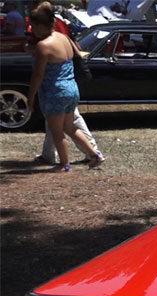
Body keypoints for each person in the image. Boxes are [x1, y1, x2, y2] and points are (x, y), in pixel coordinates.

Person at [26, 2, 103, 172]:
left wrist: (31, 97)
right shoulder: (64, 37)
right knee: (70, 127)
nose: (32, 30)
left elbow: (38, 75)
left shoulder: (43, 46)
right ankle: (94, 154)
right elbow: (78, 54)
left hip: (54, 91)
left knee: (57, 131)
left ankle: (64, 164)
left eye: (32, 26)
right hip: (71, 88)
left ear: (40, 25)